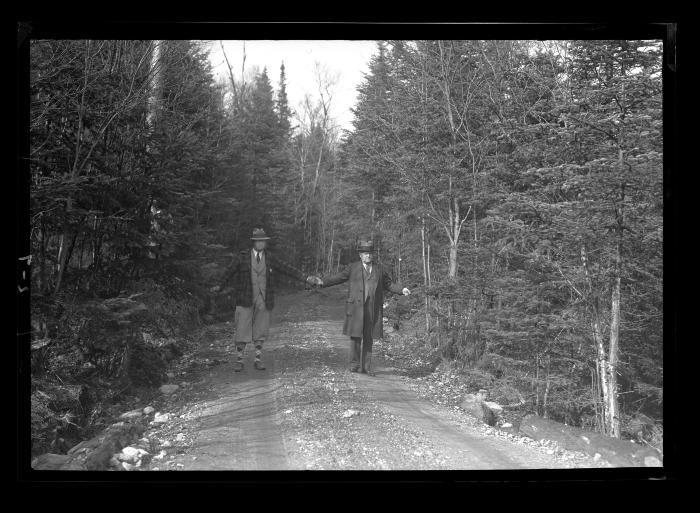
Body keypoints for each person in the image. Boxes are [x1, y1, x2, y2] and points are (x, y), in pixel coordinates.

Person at [213, 228, 319, 371]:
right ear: (253, 242)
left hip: (263, 299)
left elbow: (287, 269)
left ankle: (257, 359)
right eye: (258, 241)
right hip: (244, 298)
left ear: (265, 242)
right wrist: (217, 286)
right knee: (241, 328)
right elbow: (228, 272)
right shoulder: (242, 257)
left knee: (260, 330)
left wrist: (306, 278)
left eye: (263, 241)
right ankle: (239, 360)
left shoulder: (270, 258)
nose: (261, 243)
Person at [311, 239, 410, 375]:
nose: (368, 255)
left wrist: (401, 289)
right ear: (360, 255)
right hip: (356, 308)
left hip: (372, 308)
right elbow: (339, 278)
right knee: (356, 336)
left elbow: (389, 284)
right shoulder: (353, 268)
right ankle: (354, 364)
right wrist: (323, 282)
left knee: (369, 337)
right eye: (365, 253)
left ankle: (367, 367)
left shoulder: (379, 269)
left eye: (370, 253)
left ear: (373, 254)